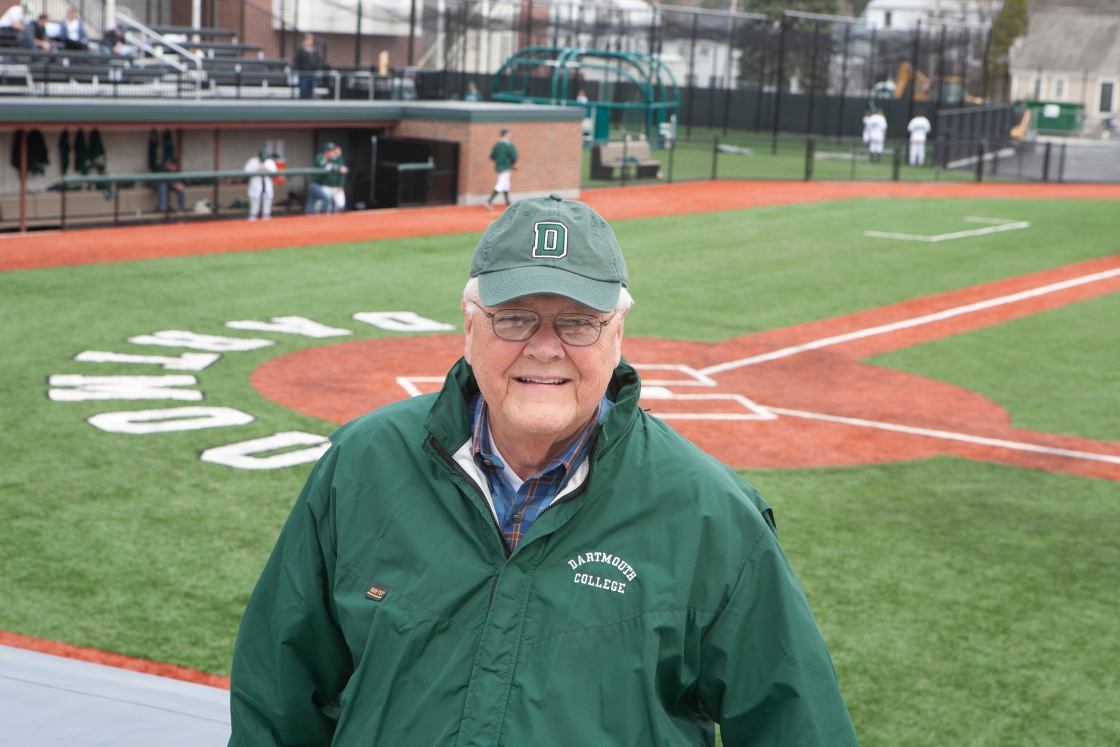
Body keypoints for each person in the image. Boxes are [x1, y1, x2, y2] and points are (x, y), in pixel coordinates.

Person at [227, 193, 859, 747]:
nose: (545, 345)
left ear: (618, 335)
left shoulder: (711, 514)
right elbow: (277, 702)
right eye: (515, 316)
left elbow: (796, 725)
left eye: (578, 322)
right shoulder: (360, 466)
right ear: (470, 327)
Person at [486, 127, 517, 210]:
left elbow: (492, 155)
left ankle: (507, 203)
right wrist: (512, 163)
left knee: (506, 184)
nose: (511, 135)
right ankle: (489, 201)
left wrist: (499, 160)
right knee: (501, 184)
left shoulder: (497, 143)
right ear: (506, 134)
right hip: (506, 166)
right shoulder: (508, 144)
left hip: (499, 166)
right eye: (509, 133)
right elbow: (514, 155)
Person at [244, 149, 278, 221]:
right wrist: (257, 170)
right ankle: (251, 229)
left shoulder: (270, 162)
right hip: (255, 189)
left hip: (267, 189)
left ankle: (266, 230)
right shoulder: (252, 162)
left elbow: (276, 175)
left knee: (267, 212)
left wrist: (266, 170)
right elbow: (245, 175)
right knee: (253, 211)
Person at [294, 34, 321, 100]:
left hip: (312, 74)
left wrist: (316, 67)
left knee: (310, 91)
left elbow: (318, 61)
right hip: (304, 74)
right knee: (304, 90)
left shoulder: (314, 51)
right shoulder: (301, 51)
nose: (310, 42)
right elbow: (297, 62)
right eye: (309, 40)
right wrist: (304, 68)